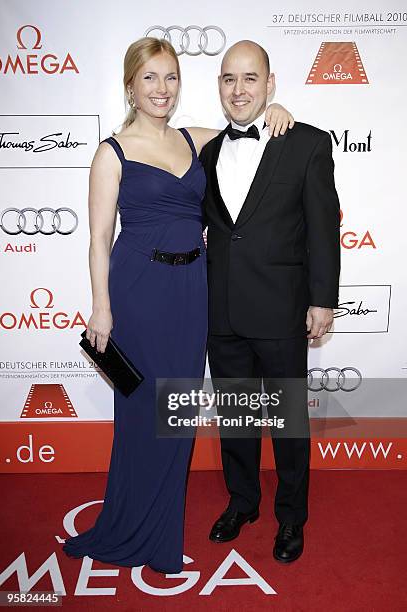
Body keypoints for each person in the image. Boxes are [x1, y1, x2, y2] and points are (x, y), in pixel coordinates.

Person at [62, 37, 294, 574]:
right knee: (143, 411)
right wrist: (101, 309)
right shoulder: (111, 151)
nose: (161, 89)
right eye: (149, 78)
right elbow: (98, 237)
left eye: (170, 78)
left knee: (179, 413)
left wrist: (279, 109)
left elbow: (249, 133)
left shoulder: (195, 140)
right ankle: (130, 524)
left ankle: (162, 524)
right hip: (138, 293)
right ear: (130, 86)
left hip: (193, 290)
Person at [199, 40, 340, 564]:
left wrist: (322, 300)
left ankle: (291, 518)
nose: (239, 90)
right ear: (219, 86)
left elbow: (323, 229)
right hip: (223, 312)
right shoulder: (208, 152)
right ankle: (243, 502)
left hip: (282, 310)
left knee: (287, 424)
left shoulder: (305, 143)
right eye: (229, 79)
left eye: (250, 79)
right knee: (235, 420)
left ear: (270, 82)